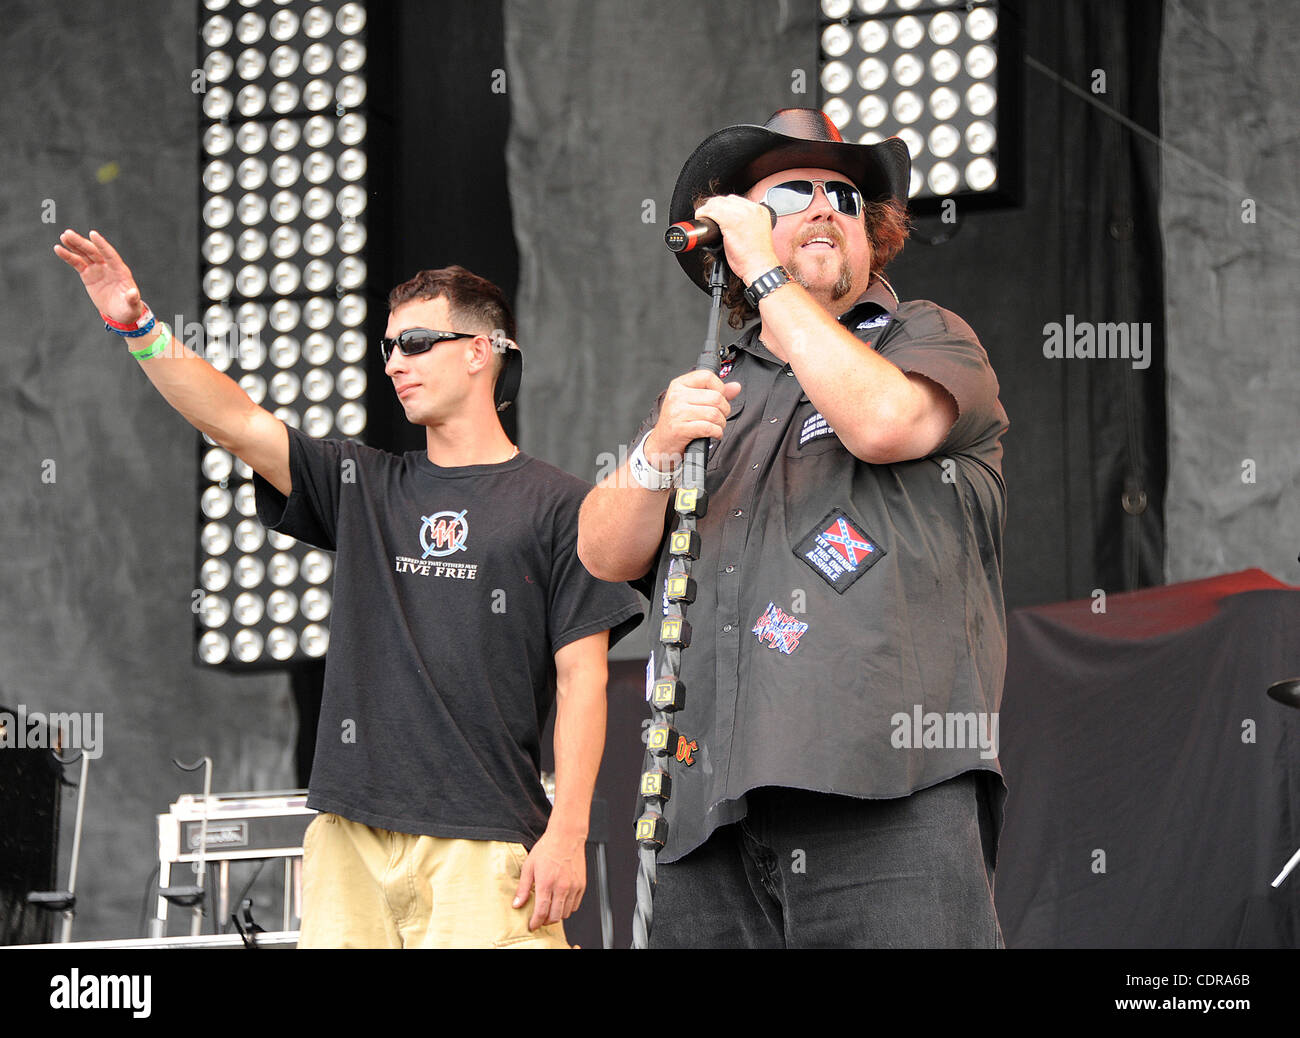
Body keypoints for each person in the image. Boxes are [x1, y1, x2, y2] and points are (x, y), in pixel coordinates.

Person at [54, 230, 642, 948]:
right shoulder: (365, 484)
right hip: (347, 838)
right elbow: (237, 423)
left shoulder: (563, 506)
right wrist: (139, 328)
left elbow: (584, 679)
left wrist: (567, 830)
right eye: (388, 346)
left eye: (418, 341)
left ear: (481, 351)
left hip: (483, 840)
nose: (395, 362)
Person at [578, 109, 1010, 948]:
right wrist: (660, 444)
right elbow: (603, 550)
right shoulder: (715, 389)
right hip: (705, 813)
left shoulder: (926, 335)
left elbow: (883, 422)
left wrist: (768, 279)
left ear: (872, 235)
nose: (825, 206)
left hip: (886, 789)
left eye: (846, 197)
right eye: (795, 192)